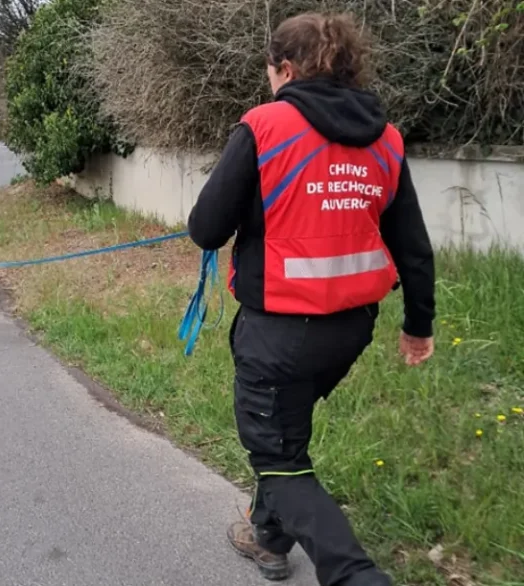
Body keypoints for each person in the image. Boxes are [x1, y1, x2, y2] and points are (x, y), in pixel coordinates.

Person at [186, 10, 436, 586]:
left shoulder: (265, 125)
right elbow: (414, 247)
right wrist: (418, 325)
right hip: (349, 330)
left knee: (278, 459)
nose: (270, 81)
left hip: (278, 334)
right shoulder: (386, 138)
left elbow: (205, 229)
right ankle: (269, 541)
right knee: (284, 431)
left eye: (271, 70)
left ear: (288, 69)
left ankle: (355, 576)